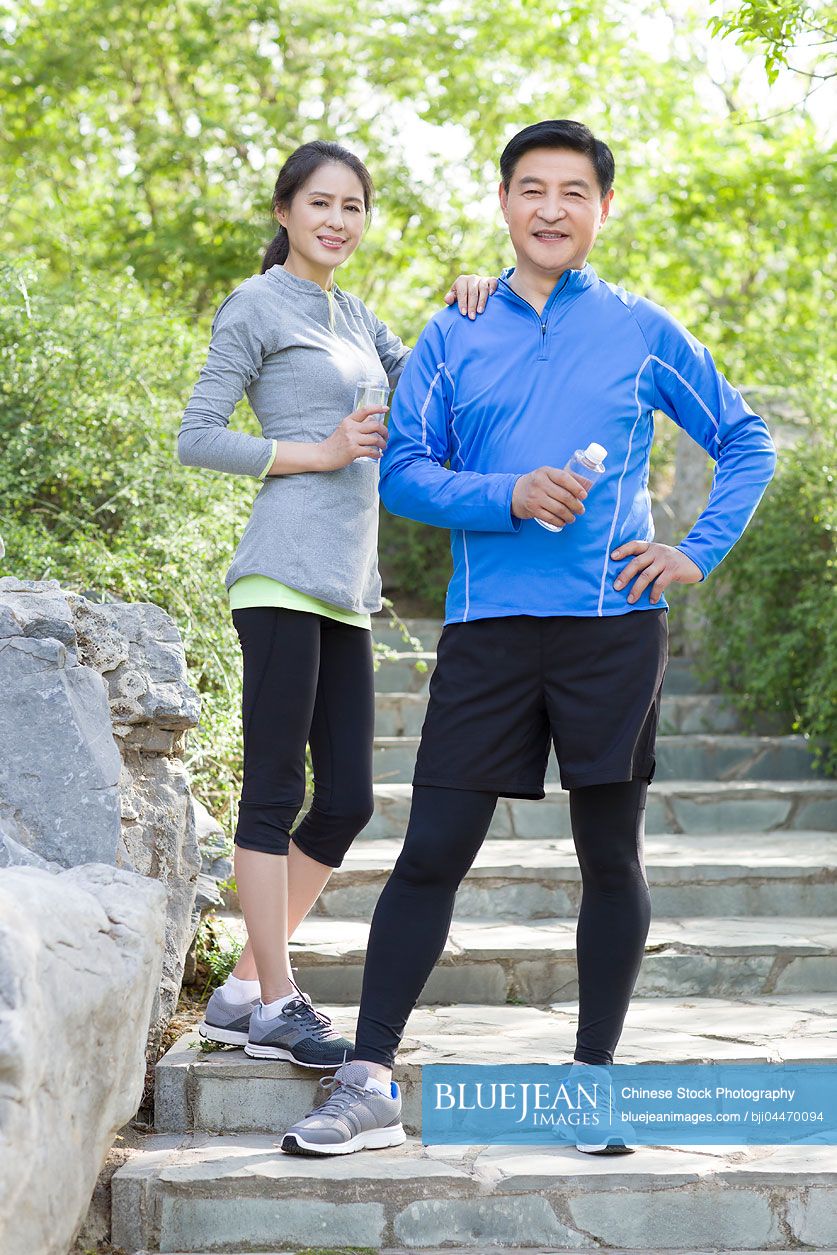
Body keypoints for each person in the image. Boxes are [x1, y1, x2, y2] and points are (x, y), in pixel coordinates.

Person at [280, 119, 778, 1154]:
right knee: (430, 854)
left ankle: (591, 1081)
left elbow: (745, 441)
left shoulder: (644, 329)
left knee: (612, 860)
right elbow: (406, 470)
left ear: (603, 209)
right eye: (532, 189)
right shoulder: (456, 330)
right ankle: (369, 1079)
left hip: (613, 631)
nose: (552, 208)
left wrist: (696, 550)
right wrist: (508, 492)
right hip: (489, 632)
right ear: (503, 203)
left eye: (574, 192)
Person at [177, 139, 497, 1070]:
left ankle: (242, 986)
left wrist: (476, 295)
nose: (337, 220)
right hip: (279, 572)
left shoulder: (356, 314)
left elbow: (438, 380)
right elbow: (195, 437)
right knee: (276, 787)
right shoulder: (256, 302)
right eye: (320, 203)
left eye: (353, 206)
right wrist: (312, 450)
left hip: (347, 592)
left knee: (348, 799)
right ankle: (277, 998)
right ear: (285, 211)